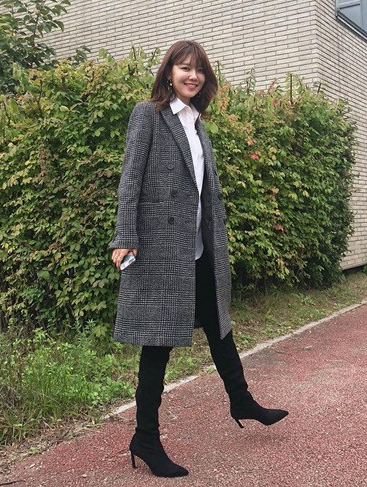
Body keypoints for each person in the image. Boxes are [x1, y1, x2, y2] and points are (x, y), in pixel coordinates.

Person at [109, 40, 288, 478]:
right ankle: (146, 438)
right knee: (157, 345)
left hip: (198, 247)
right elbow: (130, 178)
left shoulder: (198, 124)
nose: (193, 76)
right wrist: (125, 236)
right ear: (169, 72)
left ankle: (241, 400)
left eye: (199, 70)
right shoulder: (148, 114)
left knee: (219, 324)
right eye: (184, 68)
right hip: (160, 249)